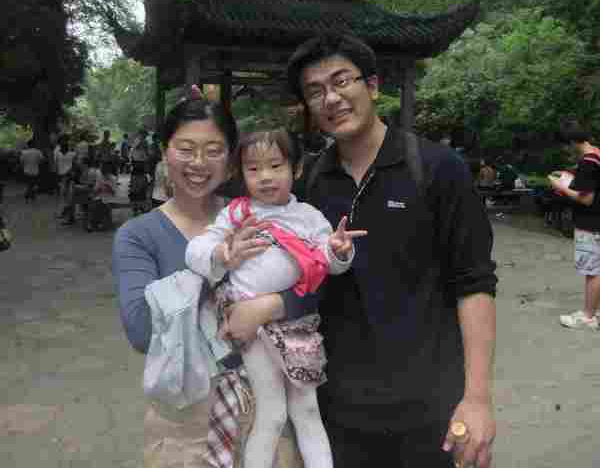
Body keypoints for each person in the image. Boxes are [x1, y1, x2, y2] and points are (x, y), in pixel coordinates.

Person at [279, 33, 497, 468]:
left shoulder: (437, 169)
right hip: (338, 409)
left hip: (430, 407)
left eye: (342, 81)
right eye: (315, 91)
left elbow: (474, 284)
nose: (331, 98)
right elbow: (297, 281)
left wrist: (476, 399)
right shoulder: (310, 184)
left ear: (373, 86)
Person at [112, 90, 305, 468]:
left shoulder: (258, 217)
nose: (198, 163)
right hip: (186, 423)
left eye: (213, 150)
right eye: (185, 149)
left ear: (231, 159)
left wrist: (272, 304)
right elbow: (142, 331)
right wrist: (213, 263)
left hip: (269, 408)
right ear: (165, 151)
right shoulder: (138, 236)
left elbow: (309, 291)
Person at [186, 128, 365, 468]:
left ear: (296, 169)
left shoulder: (309, 216)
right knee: (272, 413)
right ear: (242, 174)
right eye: (253, 169)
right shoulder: (237, 213)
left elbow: (327, 263)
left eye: (275, 166)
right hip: (253, 331)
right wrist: (223, 252)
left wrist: (340, 250)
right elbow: (196, 250)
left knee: (308, 410)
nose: (265, 177)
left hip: (299, 327)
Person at [548, 118, 600, 330]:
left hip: (591, 223)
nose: (565, 150)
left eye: (565, 146)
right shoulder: (597, 154)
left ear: (570, 142)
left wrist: (560, 186)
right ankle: (593, 311)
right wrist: (569, 177)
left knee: (593, 271)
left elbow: (586, 199)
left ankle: (587, 316)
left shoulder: (587, 162)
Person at [55, 138, 76, 219]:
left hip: (68, 177)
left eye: (63, 146)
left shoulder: (72, 154)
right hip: (62, 176)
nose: (62, 148)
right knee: (64, 195)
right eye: (62, 146)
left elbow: (74, 165)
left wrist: (70, 173)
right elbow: (57, 166)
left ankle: (66, 212)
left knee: (67, 195)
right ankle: (64, 211)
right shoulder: (59, 154)